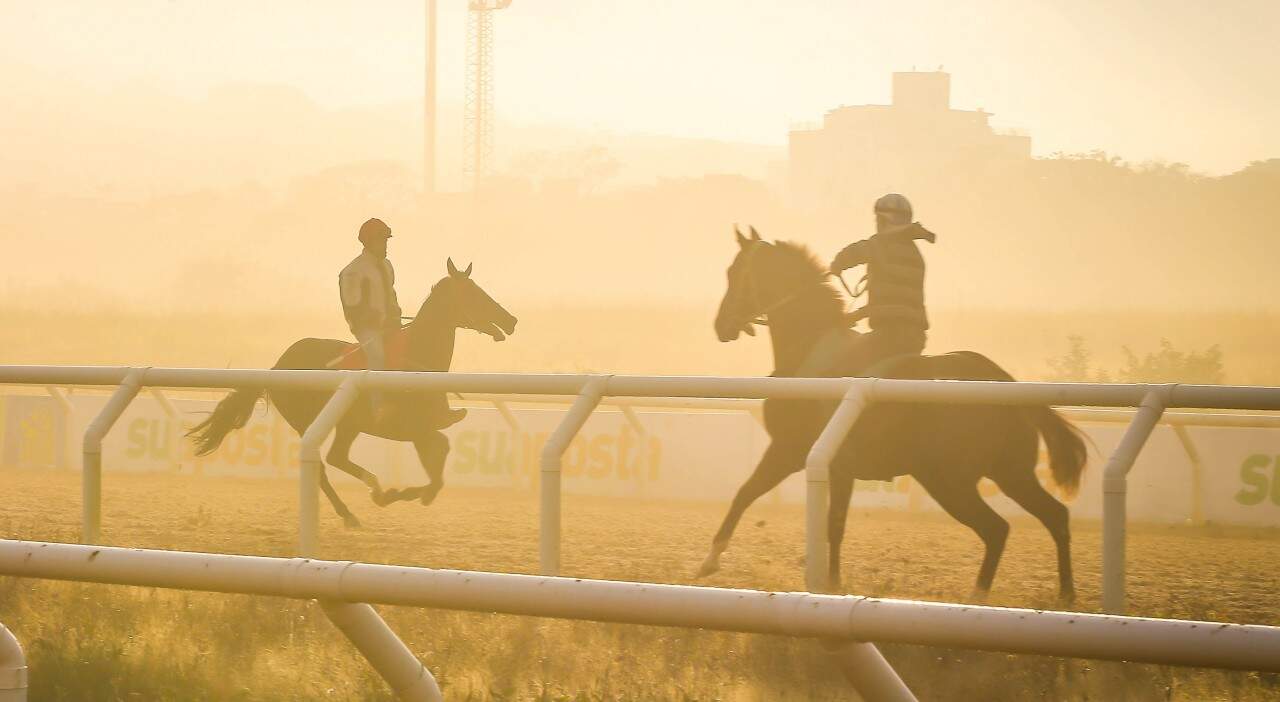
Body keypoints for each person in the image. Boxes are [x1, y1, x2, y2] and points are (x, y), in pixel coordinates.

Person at [827, 193, 936, 376]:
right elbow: (896, 303)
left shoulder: (879, 245)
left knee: (840, 372)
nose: (876, 225)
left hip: (888, 336)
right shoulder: (915, 255)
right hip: (915, 338)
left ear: (885, 221)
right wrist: (857, 315)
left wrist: (836, 265)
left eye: (878, 220)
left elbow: (853, 253)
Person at [339, 217, 403, 420]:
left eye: (386, 241)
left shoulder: (387, 266)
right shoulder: (352, 271)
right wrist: (375, 322)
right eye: (381, 241)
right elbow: (352, 308)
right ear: (368, 242)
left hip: (389, 325)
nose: (385, 246)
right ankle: (378, 407)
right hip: (367, 330)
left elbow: (391, 295)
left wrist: (396, 314)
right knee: (377, 356)